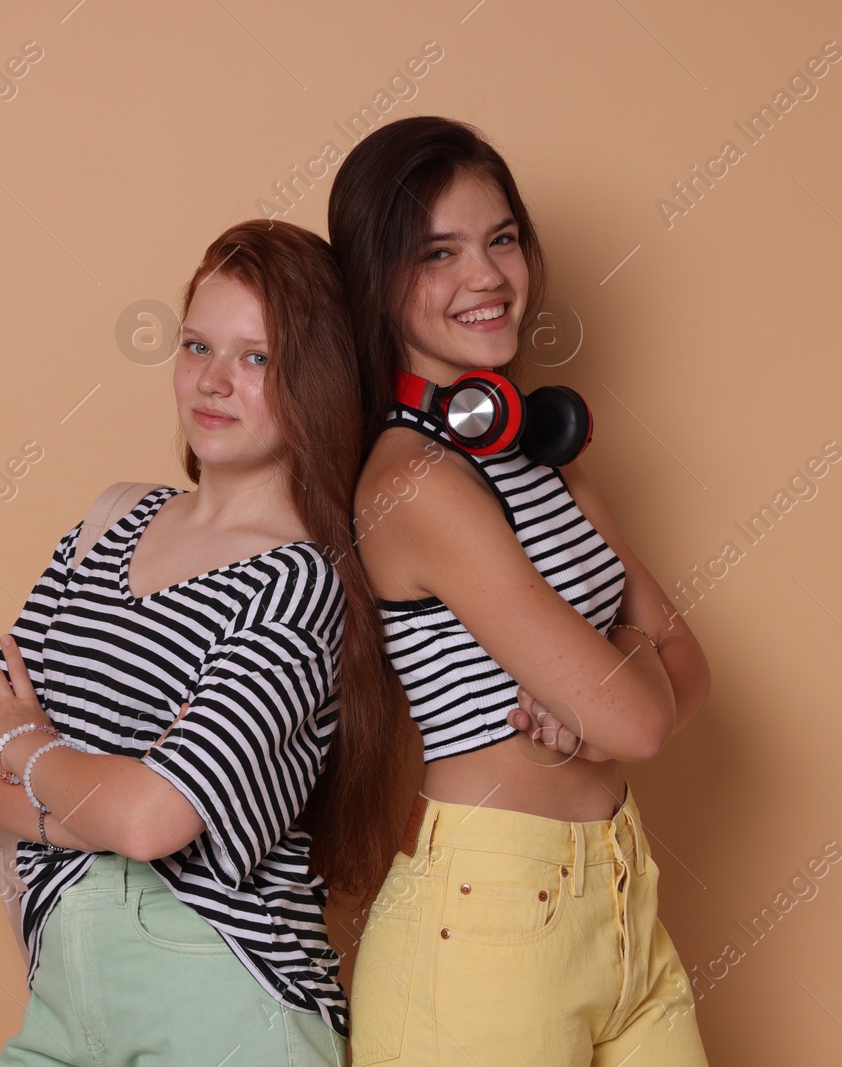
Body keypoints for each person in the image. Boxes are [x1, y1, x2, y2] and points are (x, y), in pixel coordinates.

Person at [0, 219, 408, 1065]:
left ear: (321, 378)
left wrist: (28, 744)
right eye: (197, 346)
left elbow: (154, 820)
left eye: (256, 358)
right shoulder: (112, 519)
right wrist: (92, 805)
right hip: (64, 985)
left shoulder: (300, 580)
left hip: (224, 1000)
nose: (214, 382)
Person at [327, 116, 714, 1064]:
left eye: (501, 238)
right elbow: (649, 717)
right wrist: (621, 679)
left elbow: (692, 667)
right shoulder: (416, 486)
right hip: (487, 919)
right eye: (438, 253)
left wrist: (605, 697)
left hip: (620, 894)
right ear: (379, 285)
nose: (487, 276)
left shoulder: (545, 455)